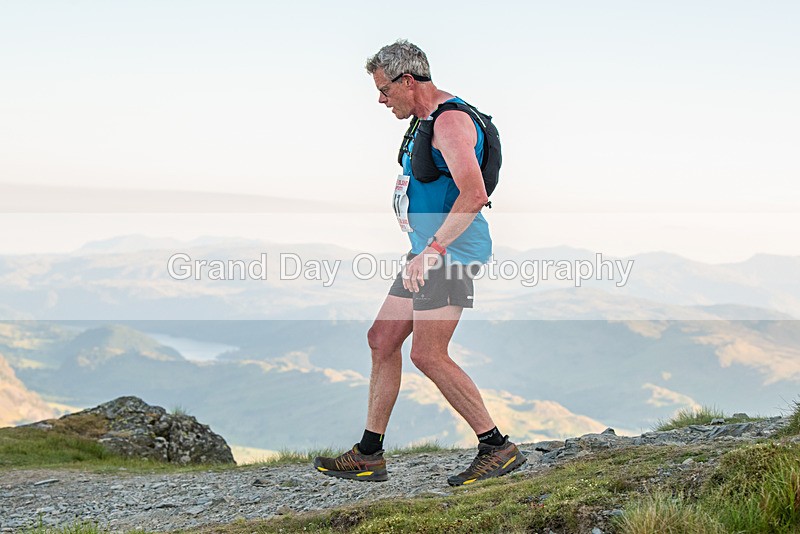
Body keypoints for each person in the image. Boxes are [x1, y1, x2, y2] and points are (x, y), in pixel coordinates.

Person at [314, 39, 525, 486]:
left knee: (428, 353)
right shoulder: (424, 120)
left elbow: (474, 195)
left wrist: (434, 252)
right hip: (428, 252)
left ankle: (497, 446)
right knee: (381, 338)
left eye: (384, 90)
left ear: (407, 81)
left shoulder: (450, 122)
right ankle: (369, 454)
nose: (380, 99)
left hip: (450, 253)